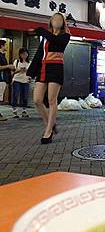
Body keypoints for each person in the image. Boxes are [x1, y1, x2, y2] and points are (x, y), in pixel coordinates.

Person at [27, 13, 70, 143]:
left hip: (56, 69)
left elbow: (56, 41)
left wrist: (41, 31)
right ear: (51, 21)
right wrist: (30, 73)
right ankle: (50, 124)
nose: (57, 21)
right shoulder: (45, 38)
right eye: (55, 19)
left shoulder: (65, 35)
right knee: (37, 100)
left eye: (60, 19)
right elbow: (39, 54)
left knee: (52, 100)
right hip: (43, 69)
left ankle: (48, 131)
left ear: (63, 23)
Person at [11, 47, 30, 118]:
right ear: (20, 54)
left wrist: (29, 74)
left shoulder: (29, 63)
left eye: (25, 54)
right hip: (17, 81)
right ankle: (14, 111)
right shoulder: (17, 61)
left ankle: (24, 111)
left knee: (25, 97)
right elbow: (12, 73)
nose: (24, 55)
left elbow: (31, 73)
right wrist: (19, 70)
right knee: (15, 95)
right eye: (22, 54)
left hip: (25, 81)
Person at [0, 39, 15, 121]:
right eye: (5, 45)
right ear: (2, 46)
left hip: (4, 79)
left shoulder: (3, 55)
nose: (6, 46)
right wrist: (8, 66)